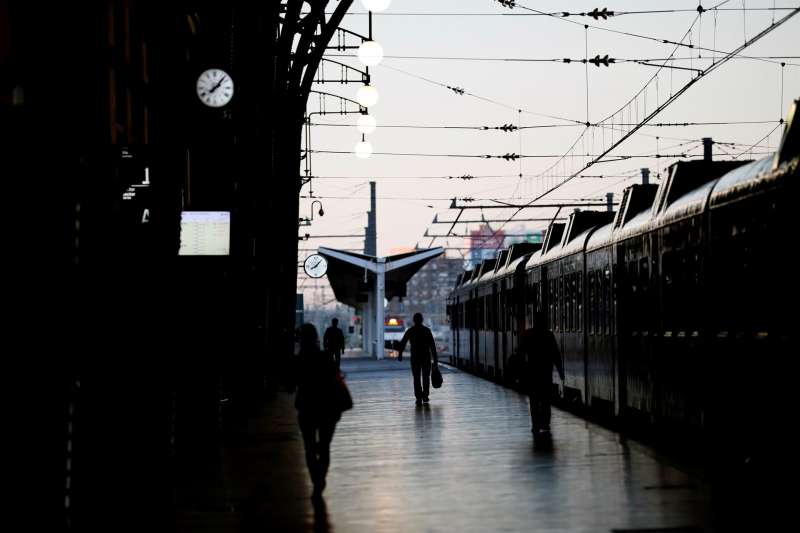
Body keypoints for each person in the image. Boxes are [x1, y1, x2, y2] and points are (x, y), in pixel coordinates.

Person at [293, 323, 342, 498]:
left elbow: (290, 386)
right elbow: (336, 377)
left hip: (306, 408)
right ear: (316, 338)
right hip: (327, 408)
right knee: (325, 446)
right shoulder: (325, 357)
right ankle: (321, 476)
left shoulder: (298, 361)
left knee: (309, 446)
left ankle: (316, 478)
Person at [518, 311, 565, 434]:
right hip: (545, 372)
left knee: (534, 400)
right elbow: (555, 354)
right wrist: (560, 371)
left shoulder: (527, 335)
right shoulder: (548, 335)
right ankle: (545, 423)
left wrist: (521, 370)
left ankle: (535, 424)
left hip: (532, 372)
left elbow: (521, 354)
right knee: (545, 399)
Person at [397, 313, 439, 405]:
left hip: (415, 358)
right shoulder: (427, 331)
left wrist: (400, 354)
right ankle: (425, 395)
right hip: (426, 357)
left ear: (414, 320)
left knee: (416, 378)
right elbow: (432, 346)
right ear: (422, 320)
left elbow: (403, 343)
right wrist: (435, 360)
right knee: (426, 377)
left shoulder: (410, 331)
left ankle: (418, 397)